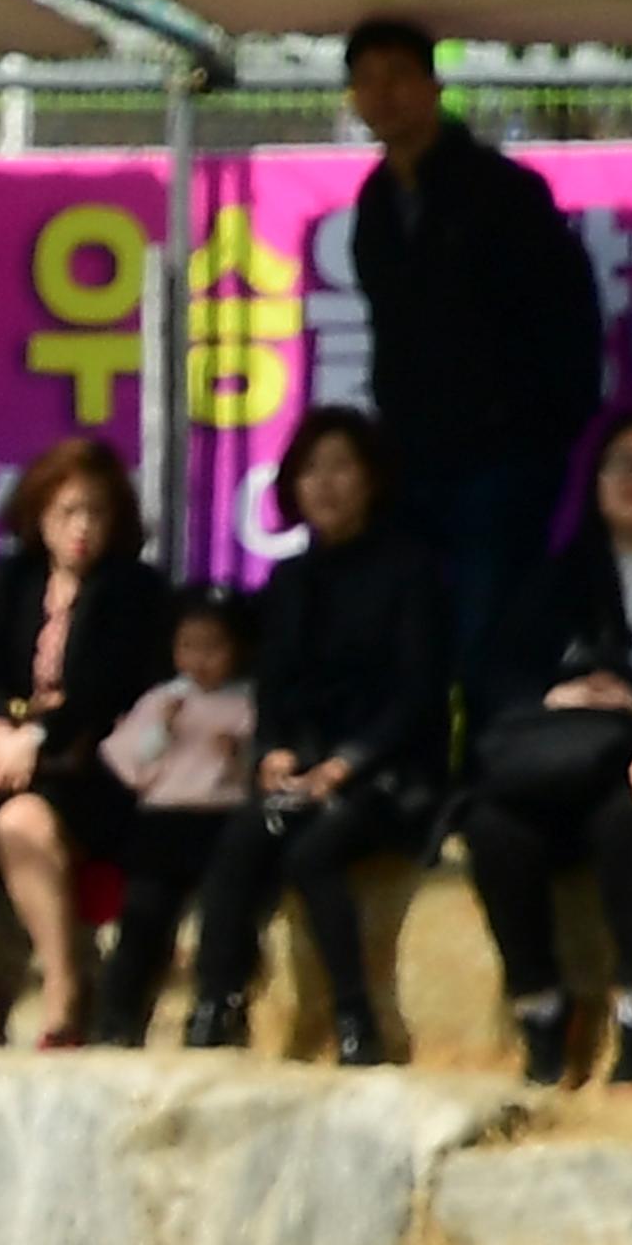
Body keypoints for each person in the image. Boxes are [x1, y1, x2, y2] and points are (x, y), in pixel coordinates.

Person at [179, 410, 450, 1067]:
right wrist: (274, 752)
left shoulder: (411, 571)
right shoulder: (291, 581)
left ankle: (355, 1017)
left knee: (313, 852)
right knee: (246, 834)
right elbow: (274, 687)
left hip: (389, 769)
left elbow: (418, 693)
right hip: (304, 765)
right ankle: (217, 1002)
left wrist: (345, 766)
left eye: (340, 467)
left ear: (370, 479)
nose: (324, 484)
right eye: (309, 469)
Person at [344, 16, 606, 668]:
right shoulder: (375, 202)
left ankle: (493, 761)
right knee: (416, 625)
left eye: (398, 77)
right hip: (412, 456)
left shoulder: (503, 191)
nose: (384, 96)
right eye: (366, 82)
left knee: (489, 626)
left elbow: (568, 314)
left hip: (502, 457)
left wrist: (540, 426)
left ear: (433, 88)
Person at [0, 438, 171, 1049]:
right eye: (68, 513)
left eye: (97, 513)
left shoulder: (134, 590)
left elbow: (108, 686)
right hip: (0, 757)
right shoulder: (11, 581)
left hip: (87, 766)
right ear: (39, 515)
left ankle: (64, 992)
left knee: (22, 825)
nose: (82, 528)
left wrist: (36, 736)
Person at [465, 407, 632, 1087]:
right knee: (493, 828)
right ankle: (543, 1011)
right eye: (622, 465)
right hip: (566, 768)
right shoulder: (559, 577)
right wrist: (560, 697)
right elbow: (498, 676)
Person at [87, 588, 262, 1048]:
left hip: (220, 821)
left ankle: (214, 1009)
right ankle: (116, 1017)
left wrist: (241, 755)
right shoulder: (163, 701)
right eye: (188, 646)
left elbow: (258, 775)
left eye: (213, 647)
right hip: (162, 823)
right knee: (142, 918)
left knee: (223, 918)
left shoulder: (248, 703)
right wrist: (160, 731)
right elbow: (130, 766)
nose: (200, 660)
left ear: (238, 649)